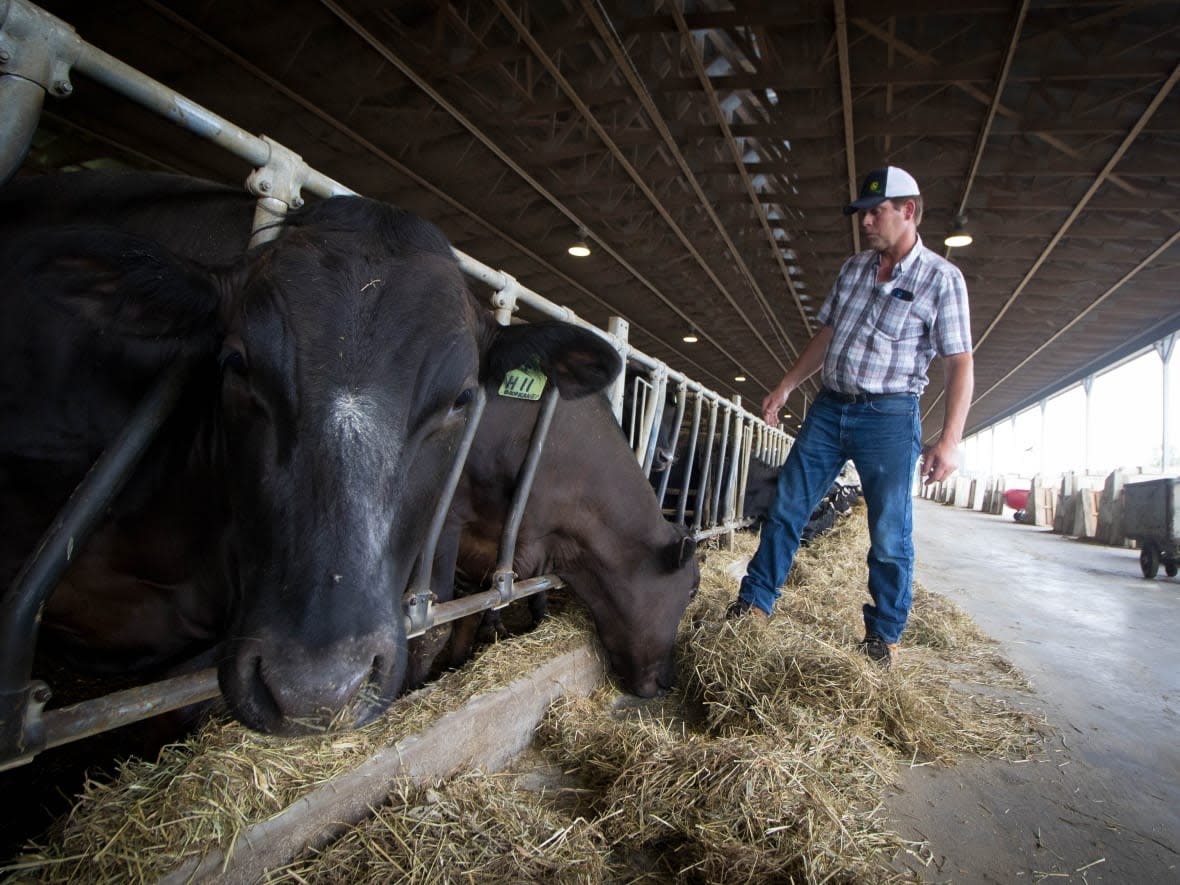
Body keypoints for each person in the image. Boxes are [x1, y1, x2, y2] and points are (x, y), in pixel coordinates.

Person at [727, 166, 974, 669]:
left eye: (875, 212)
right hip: (829, 407)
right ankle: (755, 603)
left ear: (907, 211)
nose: (865, 223)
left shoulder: (942, 280)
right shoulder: (854, 269)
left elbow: (959, 362)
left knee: (888, 531)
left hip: (889, 416)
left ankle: (884, 635)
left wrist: (950, 439)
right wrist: (787, 384)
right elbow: (828, 335)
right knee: (787, 507)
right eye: (862, 213)